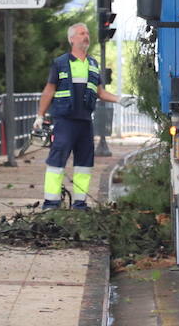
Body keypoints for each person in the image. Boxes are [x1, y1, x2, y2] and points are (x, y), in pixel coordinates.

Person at [34, 22, 119, 209]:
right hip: (64, 120)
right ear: (71, 39)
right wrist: (40, 115)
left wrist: (120, 100)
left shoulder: (93, 64)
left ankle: (80, 202)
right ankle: (51, 202)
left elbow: (100, 92)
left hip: (85, 121)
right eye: (81, 33)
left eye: (87, 33)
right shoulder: (60, 63)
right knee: (57, 159)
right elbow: (49, 90)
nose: (85, 36)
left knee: (85, 163)